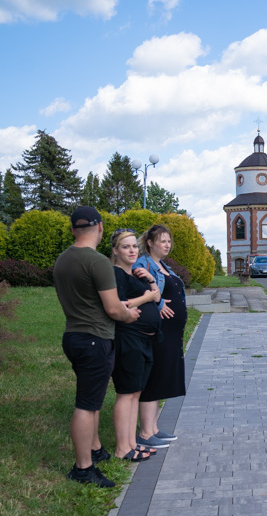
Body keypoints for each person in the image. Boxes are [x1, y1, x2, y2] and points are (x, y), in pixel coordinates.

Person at [54, 207, 140, 487]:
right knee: (87, 405)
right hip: (95, 339)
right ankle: (83, 469)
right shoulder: (97, 262)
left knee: (91, 398)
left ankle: (94, 449)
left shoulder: (63, 259)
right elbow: (114, 309)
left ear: (72, 230)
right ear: (100, 228)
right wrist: (130, 314)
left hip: (74, 336)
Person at [134, 225, 187, 450]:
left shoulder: (164, 266)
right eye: (162, 241)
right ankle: (145, 432)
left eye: (168, 241)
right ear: (149, 243)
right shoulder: (143, 265)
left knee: (163, 376)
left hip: (172, 332)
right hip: (158, 331)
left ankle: (153, 428)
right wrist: (158, 302)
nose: (167, 245)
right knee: (154, 378)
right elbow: (136, 292)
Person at [110, 229, 161, 462]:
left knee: (135, 393)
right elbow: (121, 304)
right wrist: (147, 297)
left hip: (145, 340)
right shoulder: (116, 274)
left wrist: (150, 280)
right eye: (125, 247)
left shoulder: (137, 275)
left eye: (134, 247)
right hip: (129, 339)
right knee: (126, 393)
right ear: (115, 251)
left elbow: (158, 296)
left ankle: (132, 443)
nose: (132, 251)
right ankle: (123, 447)